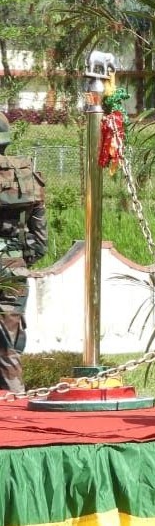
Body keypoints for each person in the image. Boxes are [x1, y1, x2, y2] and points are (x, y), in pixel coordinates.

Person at [0, 112, 47, 393]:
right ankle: (13, 406)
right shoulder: (28, 177)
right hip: (14, 266)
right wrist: (17, 258)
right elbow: (40, 242)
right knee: (9, 342)